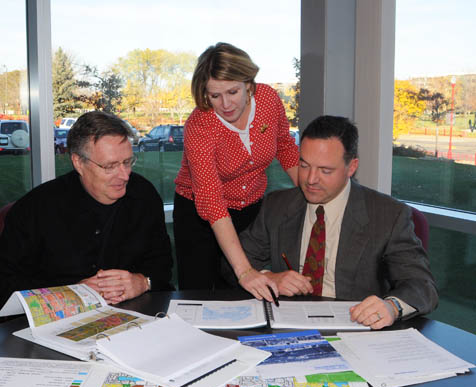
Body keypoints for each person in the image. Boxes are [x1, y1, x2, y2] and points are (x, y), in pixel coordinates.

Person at [239, 115, 438, 329]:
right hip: (287, 326)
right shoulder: (277, 205)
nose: (310, 179)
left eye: (325, 170)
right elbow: (235, 263)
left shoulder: (388, 215)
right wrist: (268, 278)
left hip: (356, 330)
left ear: (351, 167)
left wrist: (391, 307)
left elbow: (422, 286)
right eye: (304, 166)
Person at [0, 111, 173, 319]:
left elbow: (162, 265)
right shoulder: (35, 210)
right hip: (54, 326)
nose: (124, 175)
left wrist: (143, 281)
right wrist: (72, 292)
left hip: (134, 321)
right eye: (110, 166)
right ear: (78, 163)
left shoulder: (143, 196)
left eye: (128, 162)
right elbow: (2, 288)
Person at [173, 42, 299, 301]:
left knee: (249, 290)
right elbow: (211, 200)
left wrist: (312, 194)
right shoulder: (200, 125)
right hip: (199, 213)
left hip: (251, 208)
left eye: (233, 91)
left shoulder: (268, 99)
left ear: (249, 85)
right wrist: (244, 272)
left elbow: (285, 147)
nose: (226, 104)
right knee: (202, 293)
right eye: (214, 95)